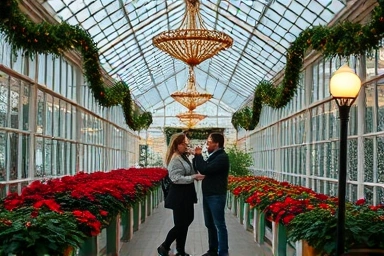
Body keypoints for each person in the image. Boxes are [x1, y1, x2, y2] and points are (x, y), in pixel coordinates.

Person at [157, 132, 205, 256]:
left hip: (186, 194)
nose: (186, 146)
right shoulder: (175, 159)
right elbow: (175, 178)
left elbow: (191, 171)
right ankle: (165, 246)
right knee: (181, 224)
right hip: (179, 195)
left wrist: (195, 157)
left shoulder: (183, 157)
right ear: (176, 145)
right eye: (183, 144)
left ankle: (180, 250)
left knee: (185, 222)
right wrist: (193, 177)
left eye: (186, 144)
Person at [193, 133, 230, 256]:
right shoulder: (213, 156)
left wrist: (198, 155)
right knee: (209, 224)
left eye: (209, 142)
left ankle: (223, 252)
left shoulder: (222, 157)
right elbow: (201, 167)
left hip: (216, 195)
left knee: (219, 224)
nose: (207, 145)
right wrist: (196, 156)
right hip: (209, 194)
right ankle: (213, 250)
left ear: (217, 144)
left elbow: (205, 169)